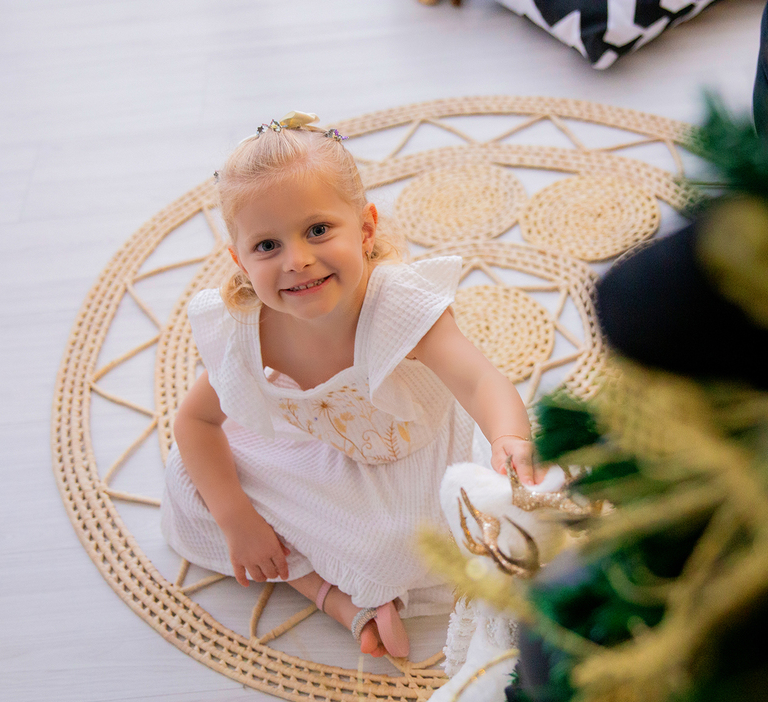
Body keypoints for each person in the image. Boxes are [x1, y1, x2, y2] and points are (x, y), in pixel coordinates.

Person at [161, 111, 540, 660]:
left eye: (317, 230)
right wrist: (236, 517)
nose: (298, 260)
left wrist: (510, 439)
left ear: (365, 229)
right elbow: (195, 423)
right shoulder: (250, 329)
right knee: (192, 481)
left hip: (429, 458)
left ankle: (345, 587)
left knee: (400, 548)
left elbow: (481, 382)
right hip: (335, 457)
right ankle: (331, 596)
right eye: (267, 246)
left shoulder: (397, 306)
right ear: (239, 260)